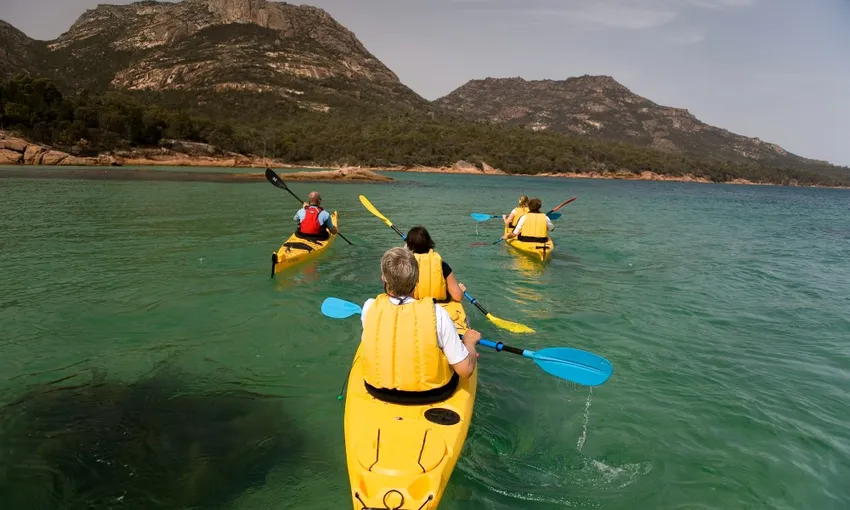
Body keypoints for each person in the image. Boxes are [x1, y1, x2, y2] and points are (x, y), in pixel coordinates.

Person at [359, 247, 481, 404]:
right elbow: (465, 371)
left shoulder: (369, 307)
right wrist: (469, 342)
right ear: (417, 279)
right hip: (433, 394)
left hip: (377, 390)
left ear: (384, 278)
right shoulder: (437, 313)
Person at [404, 226, 465, 302]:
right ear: (429, 242)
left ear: (409, 246)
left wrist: (405, 251)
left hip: (414, 306)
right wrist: (461, 290)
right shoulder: (442, 266)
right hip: (437, 305)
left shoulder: (405, 266)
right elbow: (457, 296)